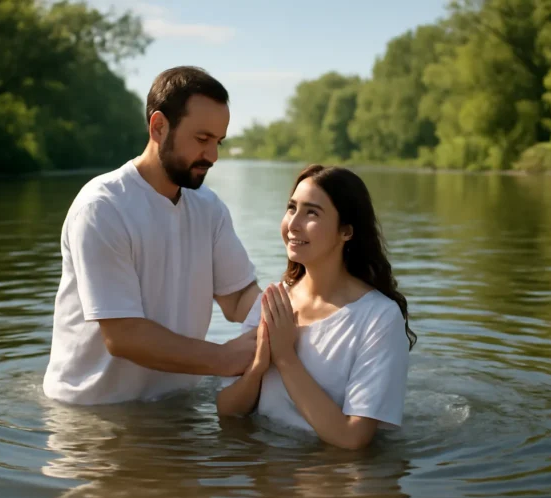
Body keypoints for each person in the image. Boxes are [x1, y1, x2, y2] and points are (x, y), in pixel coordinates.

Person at [43, 66, 261, 405]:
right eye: (202, 140)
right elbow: (124, 336)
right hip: (91, 417)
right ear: (159, 127)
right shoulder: (103, 207)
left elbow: (238, 299)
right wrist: (223, 358)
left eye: (218, 142)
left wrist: (294, 318)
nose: (213, 156)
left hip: (176, 408)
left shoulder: (209, 209)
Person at [216, 164, 416, 450]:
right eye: (291, 208)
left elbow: (352, 439)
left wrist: (285, 358)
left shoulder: (379, 318)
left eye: (312, 213)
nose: (293, 224)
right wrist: (258, 367)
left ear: (346, 231)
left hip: (327, 478)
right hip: (267, 476)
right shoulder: (275, 301)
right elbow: (226, 410)